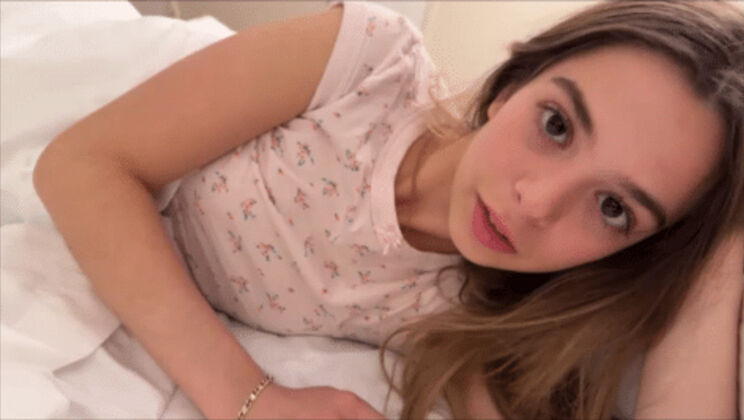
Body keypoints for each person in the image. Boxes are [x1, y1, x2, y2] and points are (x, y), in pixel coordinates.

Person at [32, 0, 744, 419]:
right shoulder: (366, 64)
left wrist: (723, 250)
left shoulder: (483, 313)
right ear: (513, 83)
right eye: (556, 124)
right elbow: (81, 165)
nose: (535, 203)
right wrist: (248, 398)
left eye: (614, 208)